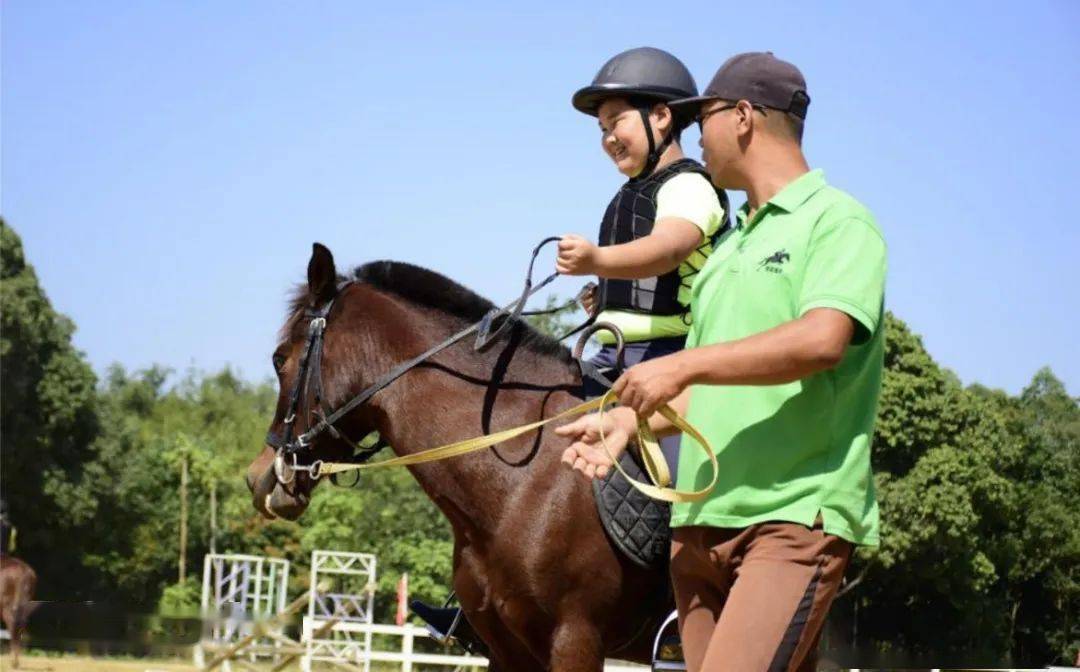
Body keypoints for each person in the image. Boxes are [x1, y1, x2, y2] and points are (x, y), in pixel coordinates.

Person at [558, 52, 887, 672]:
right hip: (697, 524)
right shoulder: (730, 246)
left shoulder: (839, 222)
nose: (693, 136)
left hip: (790, 519)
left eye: (700, 118)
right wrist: (628, 422)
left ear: (740, 117)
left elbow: (822, 340)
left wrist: (681, 366)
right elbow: (703, 391)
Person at [558, 46, 729, 477]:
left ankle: (683, 535)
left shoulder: (689, 185)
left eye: (616, 122)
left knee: (669, 489)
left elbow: (668, 249)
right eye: (601, 129)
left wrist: (596, 258)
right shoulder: (630, 194)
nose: (608, 138)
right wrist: (608, 303)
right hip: (609, 355)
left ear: (661, 116)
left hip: (667, 360)